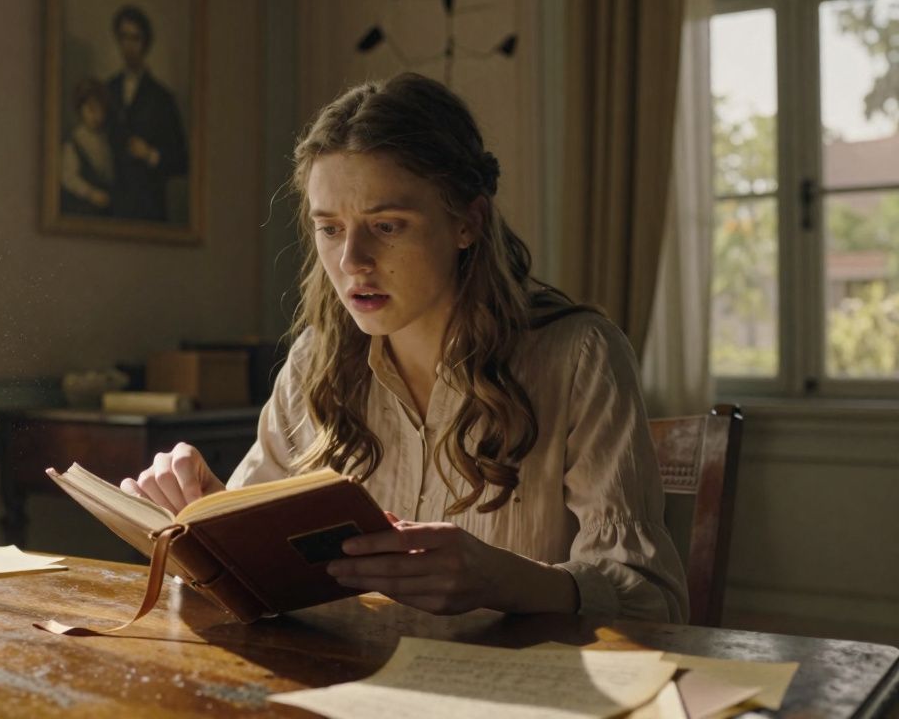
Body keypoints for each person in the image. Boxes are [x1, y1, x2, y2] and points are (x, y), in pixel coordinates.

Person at [120, 73, 688, 624]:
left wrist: (504, 580)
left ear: (468, 222)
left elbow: (653, 600)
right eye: (330, 228)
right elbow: (251, 563)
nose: (352, 262)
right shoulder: (314, 360)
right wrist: (200, 515)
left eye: (387, 226)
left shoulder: (578, 356)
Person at [105, 5, 187, 221]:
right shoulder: (108, 90)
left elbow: (181, 160)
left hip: (148, 209)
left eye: (136, 38)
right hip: (112, 209)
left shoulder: (162, 98)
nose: (129, 45)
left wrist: (150, 154)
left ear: (145, 43)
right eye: (124, 37)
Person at [60, 77, 115, 216]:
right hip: (85, 207)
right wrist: (91, 194)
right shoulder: (75, 140)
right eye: (91, 109)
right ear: (80, 109)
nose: (97, 116)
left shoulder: (106, 138)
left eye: (100, 110)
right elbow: (68, 178)